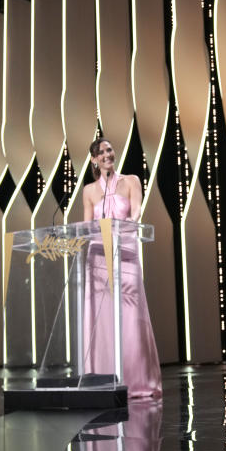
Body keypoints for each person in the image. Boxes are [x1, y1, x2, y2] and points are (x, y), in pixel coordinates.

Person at [81, 137, 162, 398]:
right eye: (101, 152)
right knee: (102, 318)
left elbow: (136, 211)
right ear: (94, 160)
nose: (107, 154)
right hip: (98, 258)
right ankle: (103, 378)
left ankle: (136, 381)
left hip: (125, 251)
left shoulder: (131, 181)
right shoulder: (89, 191)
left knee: (130, 316)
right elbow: (86, 227)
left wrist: (121, 229)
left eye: (109, 149)